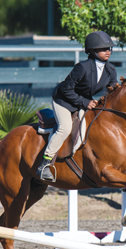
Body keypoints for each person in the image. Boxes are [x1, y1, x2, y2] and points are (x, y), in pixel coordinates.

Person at [37, 31, 118, 181]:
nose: (108, 51)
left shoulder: (111, 70)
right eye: (104, 49)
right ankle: (45, 164)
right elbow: (65, 89)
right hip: (63, 100)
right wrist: (85, 102)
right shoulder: (82, 67)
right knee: (65, 128)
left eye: (110, 49)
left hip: (82, 101)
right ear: (93, 51)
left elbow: (113, 90)